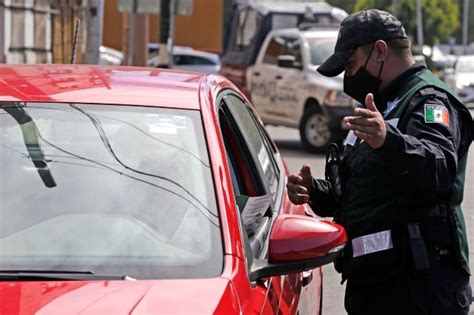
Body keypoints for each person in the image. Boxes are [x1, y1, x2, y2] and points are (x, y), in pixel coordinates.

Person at [286, 9, 474, 315]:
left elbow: (439, 169)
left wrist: (389, 140)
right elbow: (358, 194)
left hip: (420, 291)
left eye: (351, 64)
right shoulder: (380, 107)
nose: (349, 76)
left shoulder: (429, 101)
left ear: (381, 51)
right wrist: (314, 191)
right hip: (376, 284)